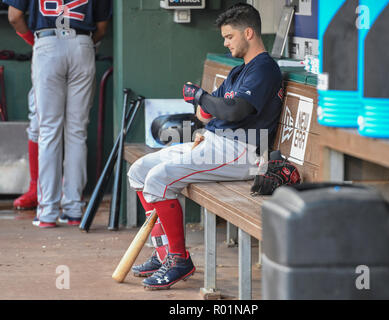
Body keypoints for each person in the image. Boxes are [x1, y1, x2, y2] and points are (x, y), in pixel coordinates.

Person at [128, 3, 284, 290]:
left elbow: (236, 111)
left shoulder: (264, 68)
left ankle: (179, 260)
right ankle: (164, 253)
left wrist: (201, 96)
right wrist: (206, 110)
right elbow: (208, 112)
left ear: (248, 32)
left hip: (242, 152)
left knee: (159, 179)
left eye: (229, 37)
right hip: (216, 143)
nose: (225, 43)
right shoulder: (240, 71)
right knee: (139, 171)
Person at [5, 0, 112, 228]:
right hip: (82, 44)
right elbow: (102, 27)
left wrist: (34, 42)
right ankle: (73, 209)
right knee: (76, 132)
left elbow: (14, 16)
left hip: (47, 42)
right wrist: (82, 44)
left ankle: (47, 212)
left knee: (48, 132)